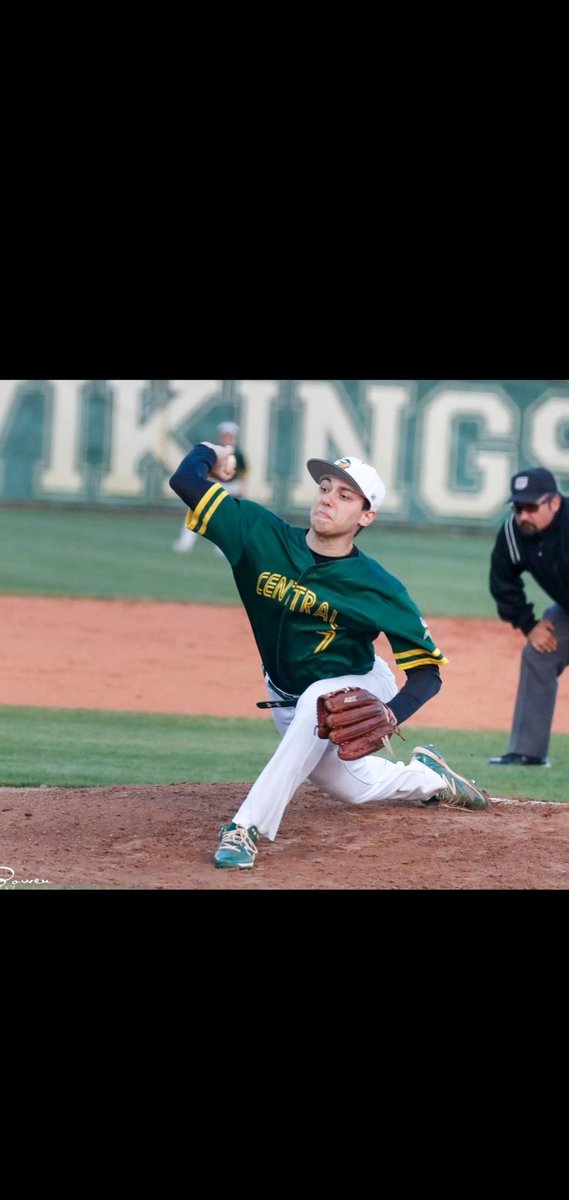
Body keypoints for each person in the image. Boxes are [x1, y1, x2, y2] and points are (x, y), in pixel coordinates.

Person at [169, 445, 488, 870]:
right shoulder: (260, 536)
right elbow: (186, 482)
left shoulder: (378, 587)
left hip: (359, 685)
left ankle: (244, 828)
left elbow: (427, 675)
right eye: (325, 487)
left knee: (318, 699)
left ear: (365, 516)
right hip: (287, 695)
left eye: (345, 495)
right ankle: (431, 777)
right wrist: (214, 452)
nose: (327, 499)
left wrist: (390, 715)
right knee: (353, 787)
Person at [488, 466, 569, 767]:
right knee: (539, 653)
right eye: (518, 507)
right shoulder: (514, 533)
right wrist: (529, 624)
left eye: (532, 507)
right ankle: (528, 752)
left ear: (555, 502)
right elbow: (503, 581)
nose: (523, 516)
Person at [172, 421, 247, 553]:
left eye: (230, 435)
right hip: (215, 485)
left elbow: (244, 474)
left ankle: (222, 549)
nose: (227, 437)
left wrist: (243, 489)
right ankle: (185, 543)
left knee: (226, 519)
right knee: (196, 512)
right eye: (225, 434)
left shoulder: (238, 454)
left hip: (231, 487)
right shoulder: (215, 450)